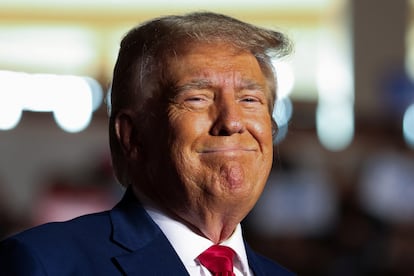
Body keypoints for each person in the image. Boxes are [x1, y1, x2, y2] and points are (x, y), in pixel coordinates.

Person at [0, 12, 294, 275]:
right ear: (132, 136)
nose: (232, 122)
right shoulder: (46, 263)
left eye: (249, 100)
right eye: (197, 98)